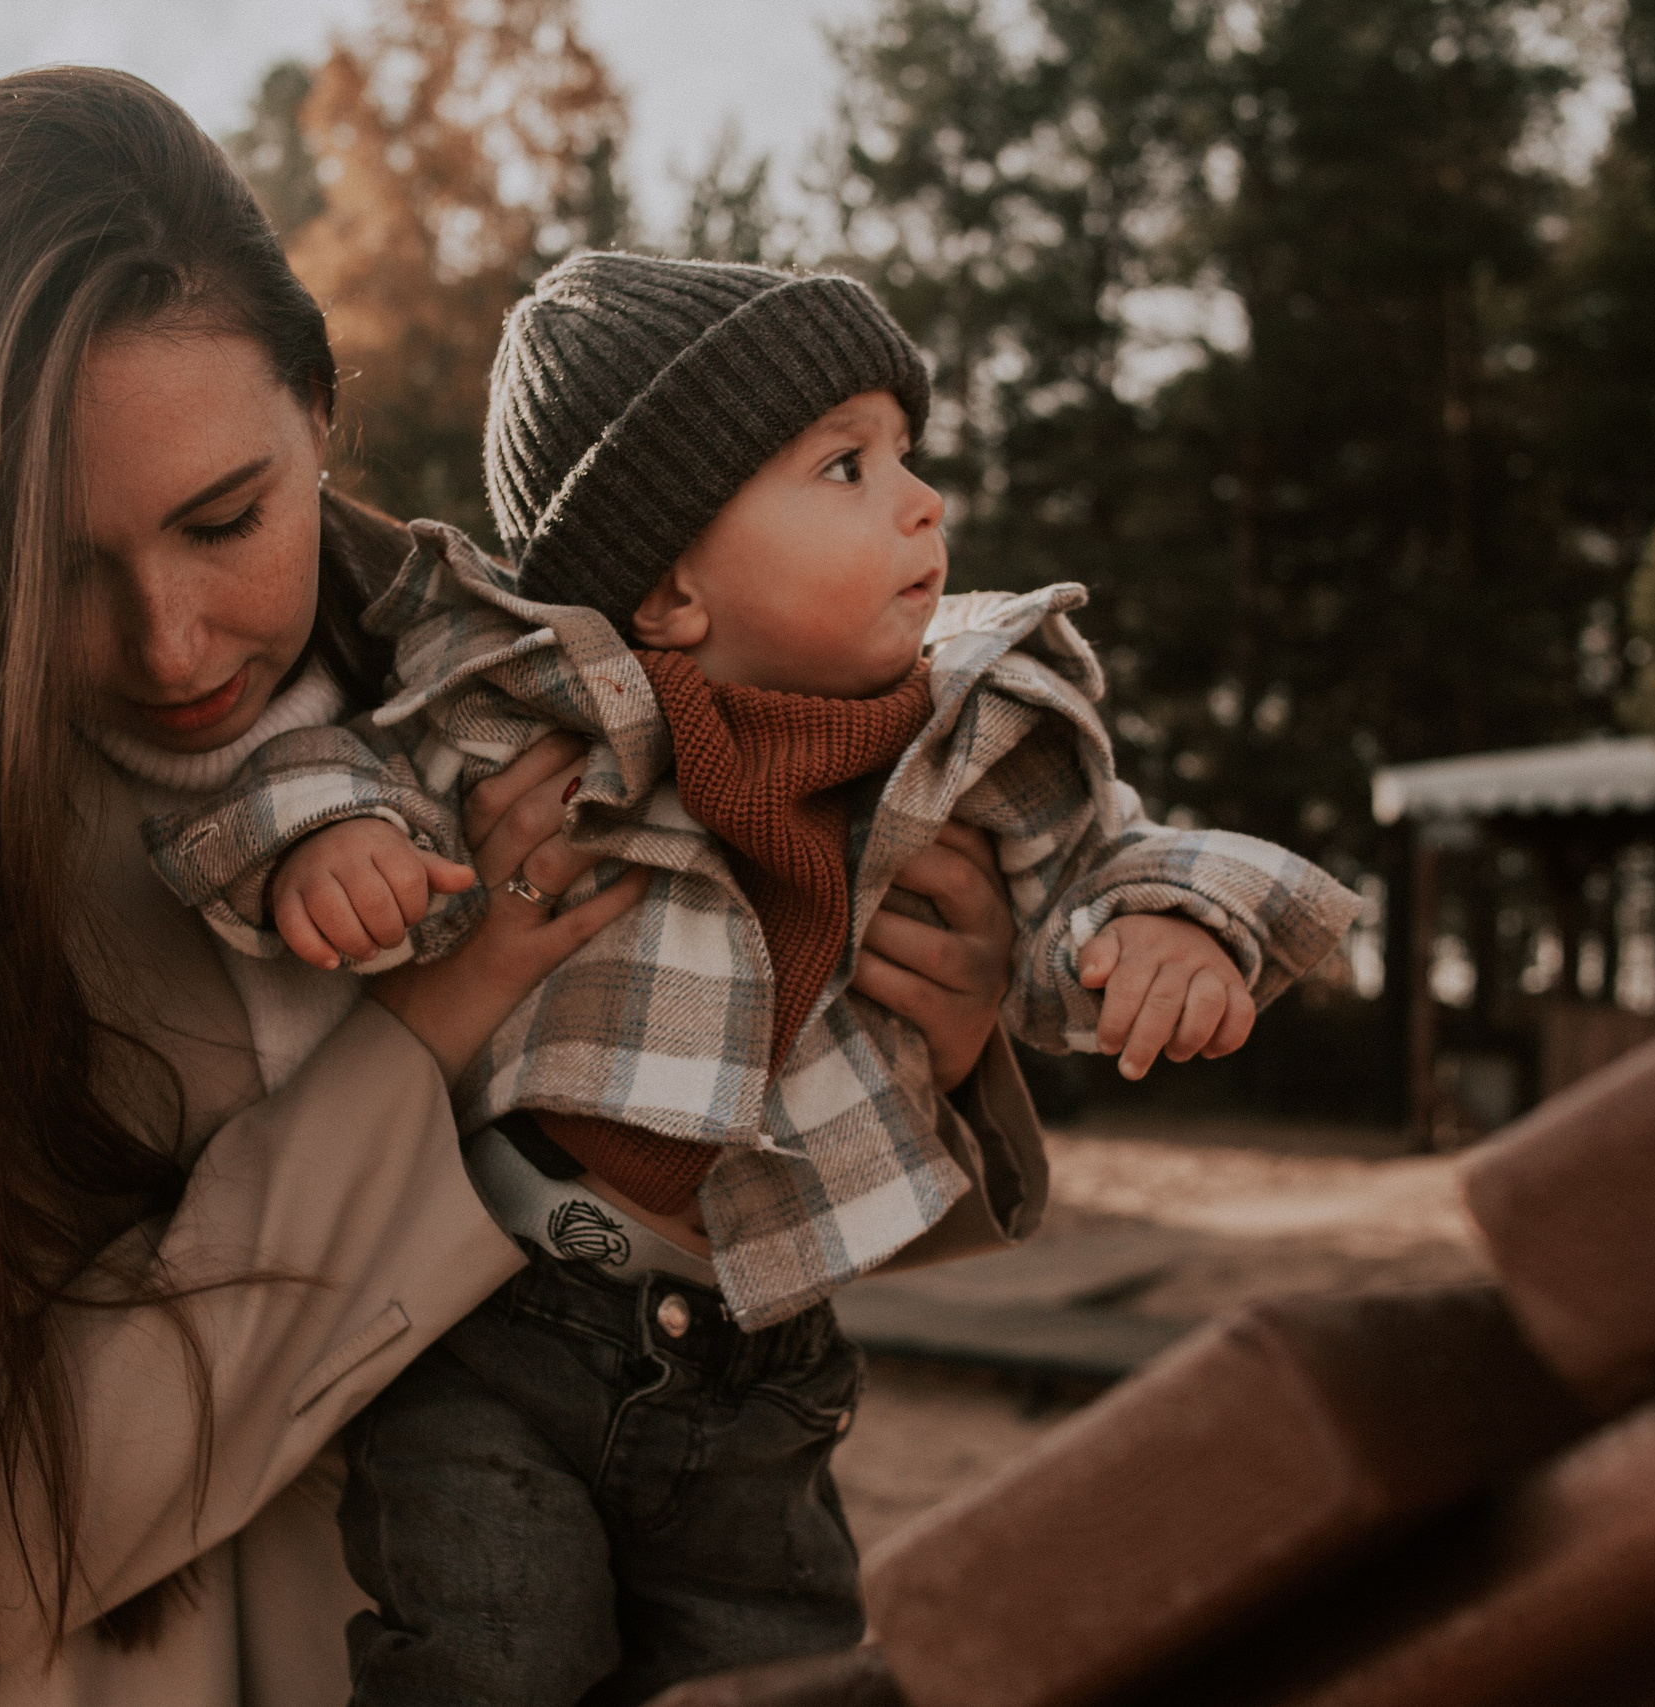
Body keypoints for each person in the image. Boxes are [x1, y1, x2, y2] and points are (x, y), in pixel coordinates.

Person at [0, 70, 1046, 1707]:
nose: (170, 643)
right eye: (57, 569)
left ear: (319, 412)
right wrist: (420, 1042)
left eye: (226, 520)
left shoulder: (529, 693)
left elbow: (687, 1231)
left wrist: (930, 1022)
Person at [150, 252, 1362, 1703]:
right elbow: (343, 769)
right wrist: (331, 843)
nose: (922, 500)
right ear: (670, 589)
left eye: (905, 454)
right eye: (846, 467)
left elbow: (1108, 860)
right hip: (498, 1322)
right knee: (492, 1657)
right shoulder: (531, 705)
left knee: (778, 1669)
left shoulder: (972, 729)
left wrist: (1170, 927)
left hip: (759, 1360)